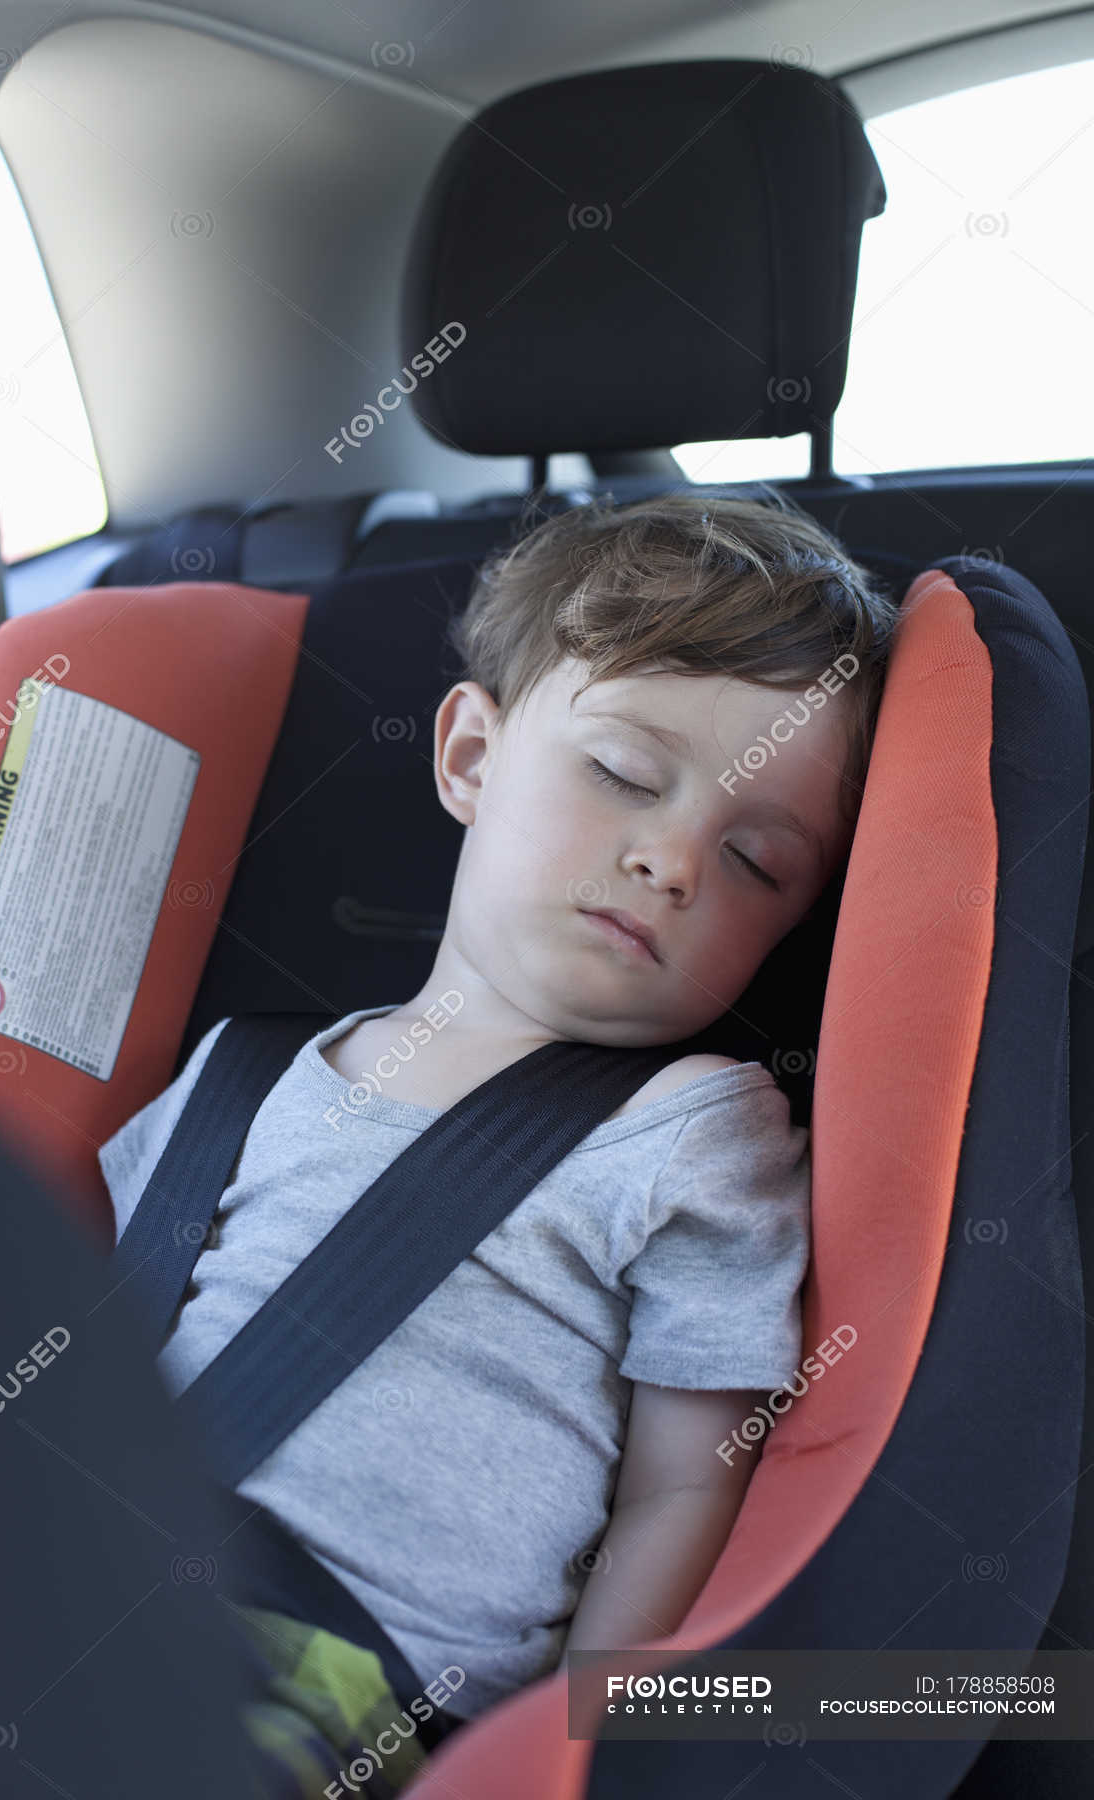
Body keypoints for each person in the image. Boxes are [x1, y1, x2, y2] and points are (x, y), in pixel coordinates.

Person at [95, 486, 903, 1785]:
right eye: (627, 776)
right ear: (470, 759)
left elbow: (683, 1488)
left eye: (756, 861)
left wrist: (579, 1748)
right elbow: (102, 1332)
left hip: (338, 1680)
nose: (676, 861)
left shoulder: (692, 1135)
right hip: (81, 1578)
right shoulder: (236, 1077)